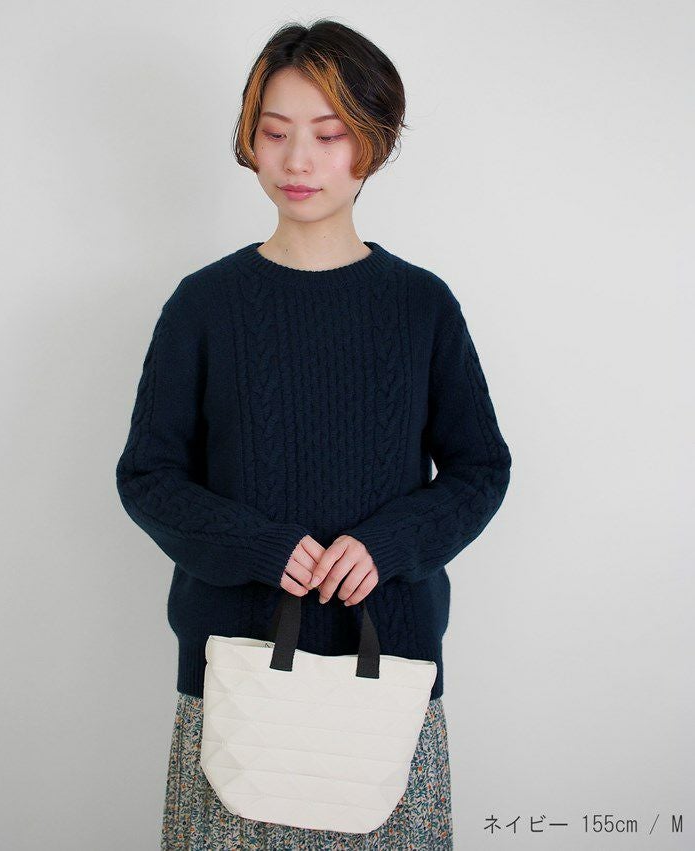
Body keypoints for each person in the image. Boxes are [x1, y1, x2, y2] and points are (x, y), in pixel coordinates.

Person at [115, 18, 511, 850]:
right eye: (274, 132)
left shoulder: (421, 305)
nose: (297, 160)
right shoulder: (204, 305)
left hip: (389, 674)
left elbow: (479, 467)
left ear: (371, 143)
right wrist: (260, 545)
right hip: (235, 681)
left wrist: (387, 543)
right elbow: (148, 474)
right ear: (249, 142)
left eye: (328, 135)